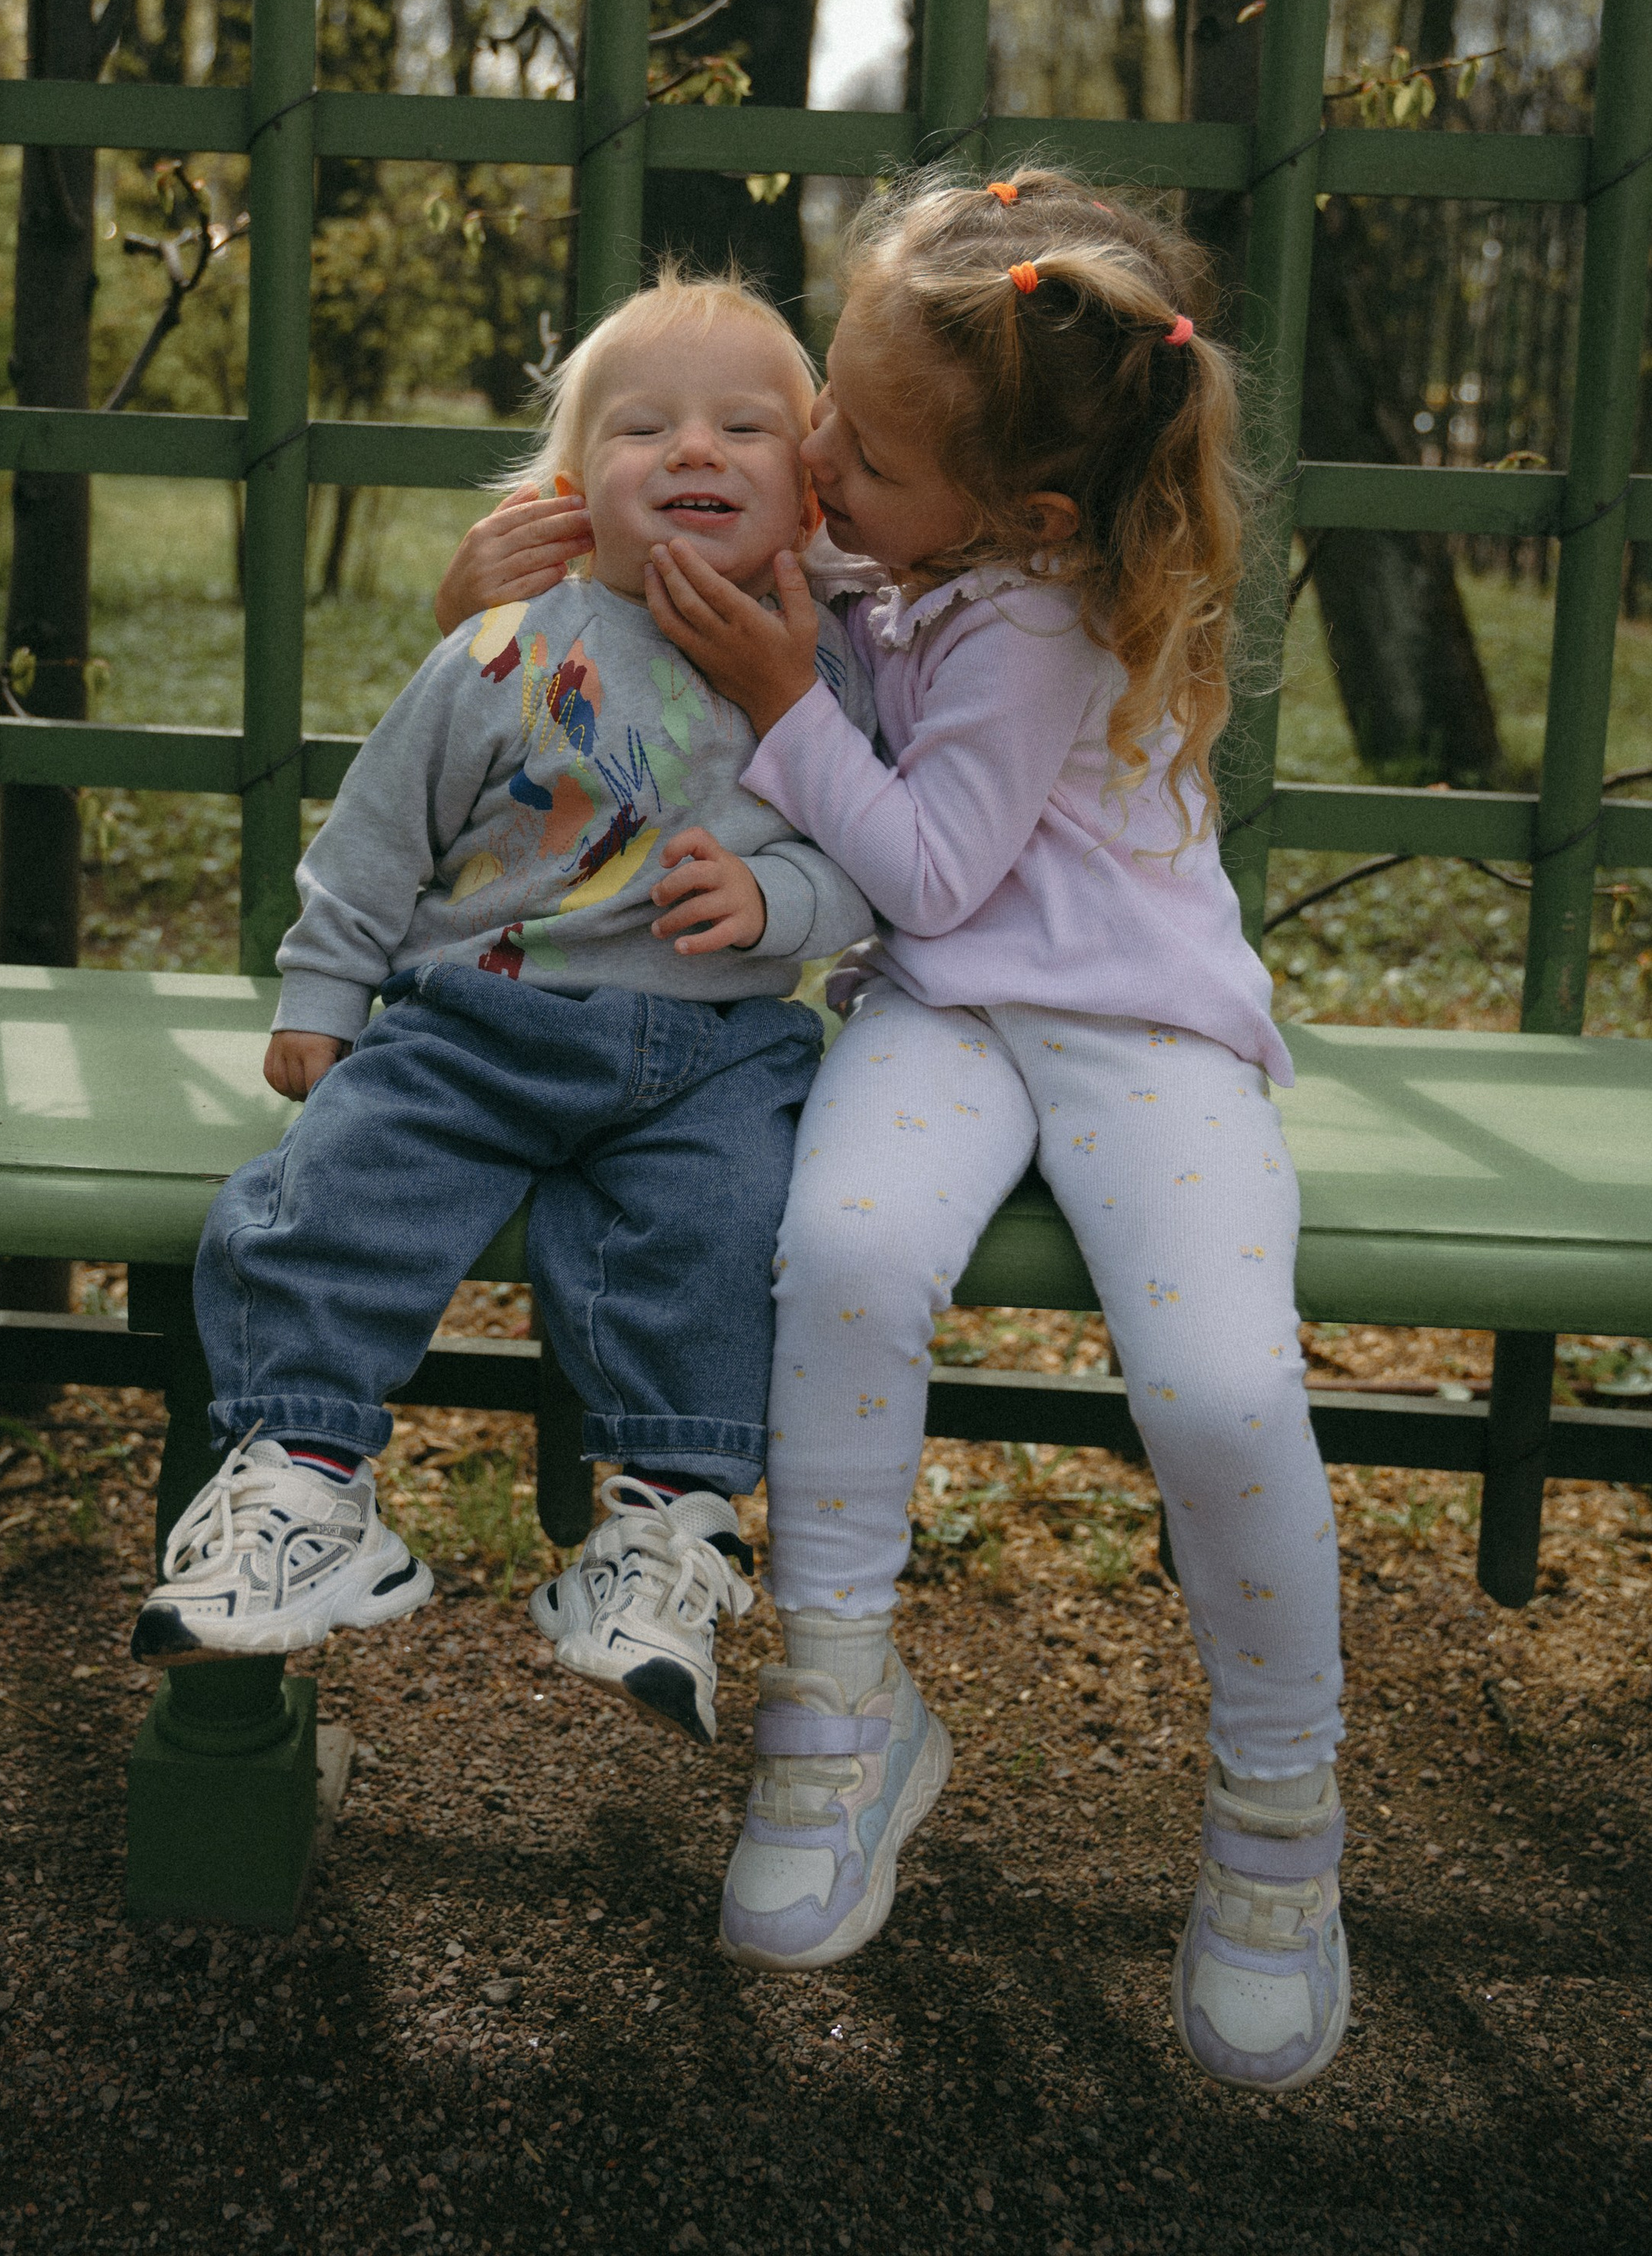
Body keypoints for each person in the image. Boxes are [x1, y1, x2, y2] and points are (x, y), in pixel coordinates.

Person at [448, 171, 1347, 2093]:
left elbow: (932, 871)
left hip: (1133, 1034)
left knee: (1208, 1388)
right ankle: (838, 1714)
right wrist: (529, 579)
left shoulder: (1030, 620)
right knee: (842, 1258)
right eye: (825, 411)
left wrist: (785, 692)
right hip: (936, 1017)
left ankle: (1278, 1815)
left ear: (1022, 516)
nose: (818, 455)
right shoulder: (890, 552)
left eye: (858, 440)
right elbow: (678, 623)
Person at [131, 268, 878, 1748]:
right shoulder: (502, 647)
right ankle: (300, 1476)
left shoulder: (827, 662)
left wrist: (783, 905)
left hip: (715, 1054)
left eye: (745, 426)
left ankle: (668, 1535)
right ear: (565, 493)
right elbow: (376, 836)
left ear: (813, 494)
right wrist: (324, 991)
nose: (694, 450)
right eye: (644, 427)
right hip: (477, 1022)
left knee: (729, 1229)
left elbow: (872, 857)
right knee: (331, 1184)